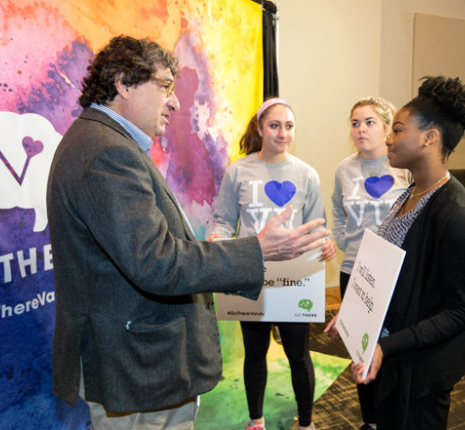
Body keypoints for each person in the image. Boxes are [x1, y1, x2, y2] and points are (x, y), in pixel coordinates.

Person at [46, 36, 330, 430]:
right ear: (124, 83)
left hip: (135, 361)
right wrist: (257, 250)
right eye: (165, 86)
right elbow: (157, 262)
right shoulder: (109, 154)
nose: (175, 102)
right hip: (139, 368)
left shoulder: (101, 142)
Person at [327, 75, 465, 429]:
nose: (389, 139)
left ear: (430, 137)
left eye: (397, 129)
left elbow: (460, 312)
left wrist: (389, 346)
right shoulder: (408, 193)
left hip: (422, 371)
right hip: (396, 354)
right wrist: (354, 316)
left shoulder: (455, 215)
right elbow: (387, 275)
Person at [208, 98, 336, 430]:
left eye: (289, 126)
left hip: (295, 277)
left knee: (298, 355)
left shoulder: (306, 173)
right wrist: (218, 241)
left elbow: (318, 226)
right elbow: (222, 222)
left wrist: (326, 241)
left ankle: (306, 423)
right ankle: (256, 420)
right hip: (251, 275)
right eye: (275, 125)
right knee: (255, 355)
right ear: (260, 129)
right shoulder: (238, 170)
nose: (283, 133)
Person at [331, 96, 411, 430]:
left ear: (387, 127)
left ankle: (395, 416)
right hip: (354, 272)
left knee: (393, 346)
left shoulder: (404, 167)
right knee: (361, 350)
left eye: (369, 122)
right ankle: (371, 421)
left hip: (396, 274)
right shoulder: (344, 169)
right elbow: (337, 210)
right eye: (355, 123)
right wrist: (344, 242)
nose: (360, 129)